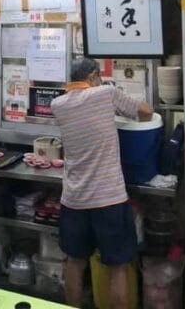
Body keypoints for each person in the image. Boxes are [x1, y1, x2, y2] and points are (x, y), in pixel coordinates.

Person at [51, 57, 153, 309]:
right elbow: (146, 111)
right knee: (117, 268)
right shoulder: (105, 93)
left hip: (74, 200)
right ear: (94, 76)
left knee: (74, 262)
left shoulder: (57, 104)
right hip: (109, 199)